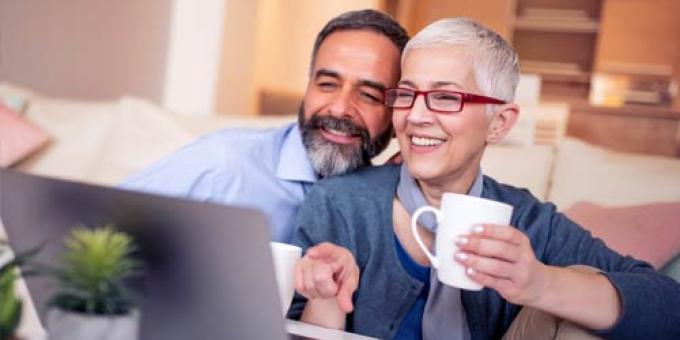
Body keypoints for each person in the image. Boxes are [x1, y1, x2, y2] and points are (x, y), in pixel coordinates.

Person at [288, 18, 680, 339]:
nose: (417, 116)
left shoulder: (528, 221)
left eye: (446, 98)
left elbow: (669, 307)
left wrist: (541, 284)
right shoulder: (340, 203)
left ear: (500, 123)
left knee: (583, 296)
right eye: (406, 95)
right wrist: (327, 295)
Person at [122, 10, 409, 243]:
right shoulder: (222, 163)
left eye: (369, 95)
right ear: (308, 86)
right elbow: (96, 235)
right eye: (327, 85)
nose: (340, 108)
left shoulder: (387, 200)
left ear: (397, 114)